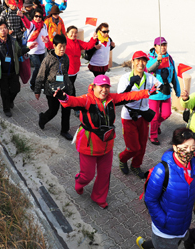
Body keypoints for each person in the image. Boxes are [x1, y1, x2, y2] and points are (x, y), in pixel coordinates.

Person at [56, 74, 156, 209]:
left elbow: (128, 96)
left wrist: (147, 92)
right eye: (101, 87)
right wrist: (63, 97)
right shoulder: (86, 99)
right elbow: (72, 101)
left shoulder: (111, 99)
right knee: (87, 175)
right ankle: (79, 182)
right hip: (88, 144)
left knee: (104, 173)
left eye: (107, 87)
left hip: (106, 144)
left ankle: (99, 197)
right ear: (94, 87)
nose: (104, 90)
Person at [136, 128, 195, 249]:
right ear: (175, 147)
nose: (189, 152)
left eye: (192, 148)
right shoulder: (162, 170)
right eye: (185, 147)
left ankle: (144, 245)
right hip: (165, 230)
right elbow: (150, 200)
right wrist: (163, 220)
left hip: (183, 225)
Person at [117, 51, 160, 178]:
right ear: (133, 61)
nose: (140, 63)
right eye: (138, 60)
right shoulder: (125, 78)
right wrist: (130, 84)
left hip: (143, 116)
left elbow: (159, 86)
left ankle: (136, 165)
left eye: (143, 61)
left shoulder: (149, 77)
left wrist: (164, 87)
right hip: (129, 116)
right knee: (133, 147)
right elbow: (120, 98)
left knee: (142, 145)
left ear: (146, 63)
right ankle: (122, 158)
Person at [35, 34, 74, 140]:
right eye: (60, 46)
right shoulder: (48, 60)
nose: (62, 49)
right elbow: (41, 75)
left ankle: (64, 130)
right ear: (54, 46)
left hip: (64, 88)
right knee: (53, 110)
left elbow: (66, 72)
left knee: (66, 109)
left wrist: (69, 89)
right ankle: (43, 118)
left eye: (64, 46)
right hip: (51, 90)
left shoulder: (65, 58)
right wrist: (37, 90)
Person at [147, 37, 180, 145]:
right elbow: (149, 69)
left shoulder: (170, 59)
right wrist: (158, 60)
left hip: (166, 92)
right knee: (154, 116)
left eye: (165, 45)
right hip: (154, 93)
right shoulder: (150, 58)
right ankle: (153, 135)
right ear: (155, 46)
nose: (163, 47)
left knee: (166, 114)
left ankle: (156, 125)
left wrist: (177, 90)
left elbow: (174, 75)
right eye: (161, 45)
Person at [25, 8, 49, 90]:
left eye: (39, 16)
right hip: (33, 51)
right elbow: (26, 23)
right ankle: (32, 83)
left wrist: (47, 41)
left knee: (42, 69)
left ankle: (40, 83)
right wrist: (22, 17)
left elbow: (47, 36)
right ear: (33, 16)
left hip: (42, 50)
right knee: (38, 67)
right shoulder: (32, 25)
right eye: (36, 16)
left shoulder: (44, 25)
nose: (38, 18)